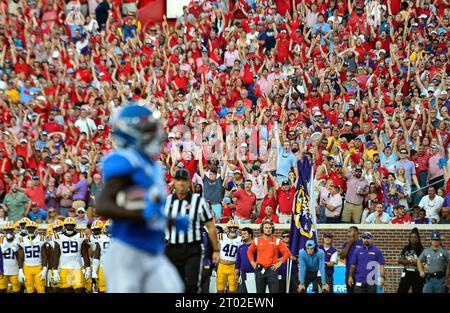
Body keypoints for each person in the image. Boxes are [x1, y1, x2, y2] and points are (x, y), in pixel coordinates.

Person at [95, 105, 184, 293]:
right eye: (149, 130)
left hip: (152, 249)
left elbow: (150, 211)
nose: (155, 134)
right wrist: (143, 215)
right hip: (128, 250)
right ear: (131, 132)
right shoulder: (125, 159)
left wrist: (170, 221)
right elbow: (103, 205)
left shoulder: (151, 166)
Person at [165, 168, 220, 293]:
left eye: (184, 180)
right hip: (172, 247)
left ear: (189, 182)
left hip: (192, 248)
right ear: (174, 182)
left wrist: (215, 250)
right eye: (178, 180)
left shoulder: (198, 202)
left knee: (191, 285)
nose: (181, 183)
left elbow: (211, 226)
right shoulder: (167, 202)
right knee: (175, 285)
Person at [247, 220, 291, 293]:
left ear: (272, 229)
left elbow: (287, 253)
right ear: (262, 229)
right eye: (266, 228)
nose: (268, 229)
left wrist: (279, 263)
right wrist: (252, 262)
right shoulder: (257, 240)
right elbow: (249, 251)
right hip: (259, 269)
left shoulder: (277, 241)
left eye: (270, 228)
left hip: (272, 270)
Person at [52, 217, 91, 293]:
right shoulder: (58, 237)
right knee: (67, 290)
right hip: (64, 267)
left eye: (71, 225)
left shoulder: (81, 236)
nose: (69, 227)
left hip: (77, 267)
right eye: (67, 225)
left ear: (74, 226)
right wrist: (56, 270)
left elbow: (85, 254)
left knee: (79, 289)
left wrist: (88, 268)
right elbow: (56, 255)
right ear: (64, 226)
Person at [17, 220, 50, 293]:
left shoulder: (41, 238)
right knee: (29, 289)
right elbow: (20, 256)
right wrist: (20, 270)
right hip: (27, 267)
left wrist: (44, 269)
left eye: (32, 228)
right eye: (29, 228)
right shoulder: (21, 239)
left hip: (38, 267)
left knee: (41, 289)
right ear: (26, 229)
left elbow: (44, 255)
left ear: (36, 229)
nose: (30, 230)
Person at [342, 156, 369, 223]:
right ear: (354, 171)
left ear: (361, 172)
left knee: (356, 223)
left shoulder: (365, 181)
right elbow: (344, 167)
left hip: (358, 205)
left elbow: (367, 192)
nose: (358, 172)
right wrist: (347, 156)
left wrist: (362, 192)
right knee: (345, 222)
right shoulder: (351, 177)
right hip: (348, 203)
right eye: (357, 171)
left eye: (359, 171)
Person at [216, 220, 242, 293]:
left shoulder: (240, 239)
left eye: (234, 228)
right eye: (231, 227)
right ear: (227, 228)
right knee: (220, 289)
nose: (233, 229)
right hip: (221, 265)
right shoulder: (221, 236)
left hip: (233, 267)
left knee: (233, 290)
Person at [397, 228, 424, 293]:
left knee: (417, 291)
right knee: (401, 290)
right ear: (409, 238)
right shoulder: (406, 248)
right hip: (406, 273)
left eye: (415, 237)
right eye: (411, 237)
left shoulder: (421, 249)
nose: (413, 238)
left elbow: (423, 263)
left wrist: (407, 262)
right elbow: (400, 260)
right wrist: (413, 262)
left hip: (417, 274)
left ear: (418, 239)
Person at [340, 226, 364, 293]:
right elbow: (342, 256)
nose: (348, 234)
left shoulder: (362, 243)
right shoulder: (346, 243)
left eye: (350, 232)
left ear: (356, 232)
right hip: (349, 274)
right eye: (348, 232)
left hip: (360, 275)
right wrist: (349, 244)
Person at [89, 220, 110, 293]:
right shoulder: (101, 238)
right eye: (108, 227)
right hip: (102, 264)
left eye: (97, 230)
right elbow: (96, 255)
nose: (95, 232)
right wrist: (94, 271)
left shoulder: (120, 238)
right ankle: (95, 286)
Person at [0, 222, 20, 293]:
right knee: (2, 289)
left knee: (16, 289)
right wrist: (10, 244)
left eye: (10, 230)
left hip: (15, 267)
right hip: (3, 268)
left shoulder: (17, 239)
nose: (8, 231)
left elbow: (18, 252)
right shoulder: (1, 238)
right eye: (7, 230)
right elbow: (2, 251)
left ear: (13, 230)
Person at [235, 227, 255, 293]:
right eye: (241, 234)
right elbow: (238, 262)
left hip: (254, 274)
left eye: (245, 233)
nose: (242, 235)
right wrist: (236, 274)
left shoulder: (256, 246)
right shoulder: (240, 247)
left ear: (250, 235)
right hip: (243, 274)